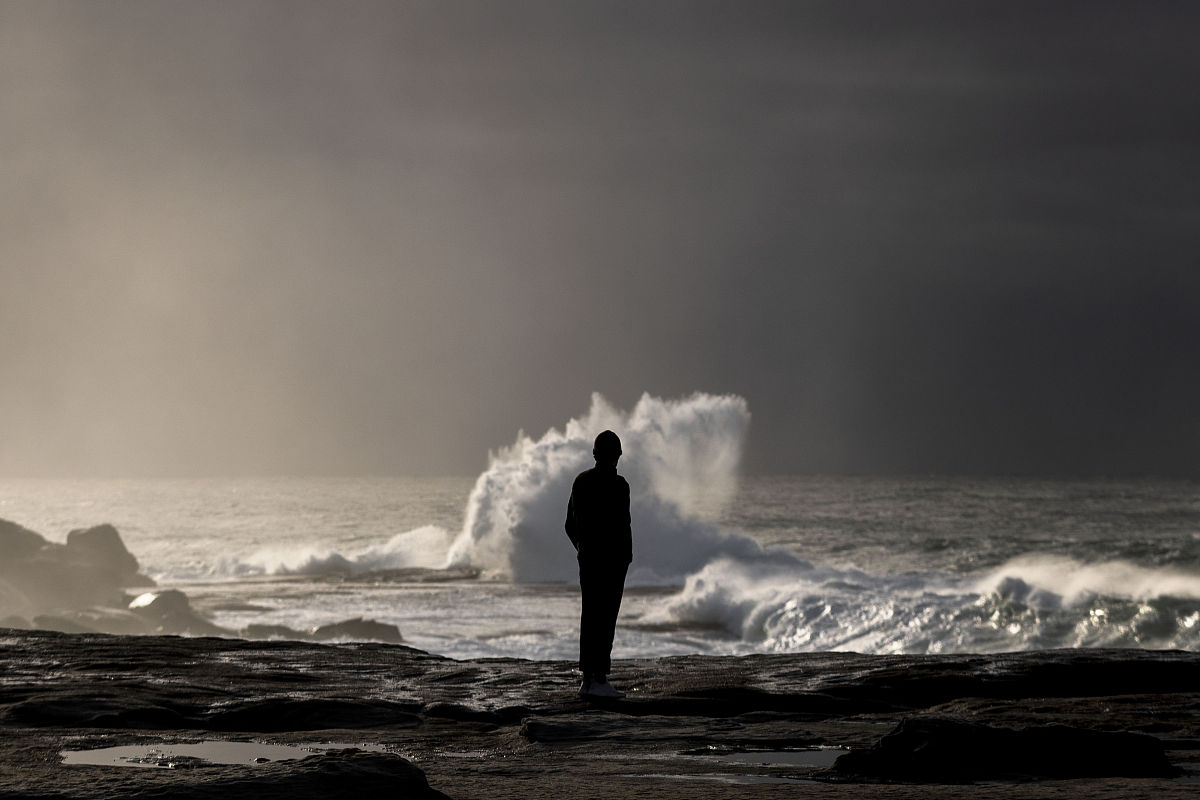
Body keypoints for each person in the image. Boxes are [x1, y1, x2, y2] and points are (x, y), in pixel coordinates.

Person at [564, 429, 632, 698]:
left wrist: (583, 549)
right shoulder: (619, 485)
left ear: (594, 454)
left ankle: (587, 680)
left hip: (589, 559)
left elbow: (569, 525)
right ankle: (600, 679)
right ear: (618, 455)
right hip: (613, 561)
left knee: (590, 616)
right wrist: (623, 557)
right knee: (606, 618)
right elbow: (621, 525)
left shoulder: (581, 481)